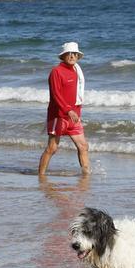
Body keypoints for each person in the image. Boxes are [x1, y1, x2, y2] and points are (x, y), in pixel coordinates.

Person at [38, 41, 90, 176]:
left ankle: (86, 176)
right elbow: (56, 95)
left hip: (74, 116)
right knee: (52, 148)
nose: (72, 56)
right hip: (58, 116)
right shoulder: (56, 72)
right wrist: (68, 110)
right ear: (63, 56)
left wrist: (75, 111)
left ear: (78, 56)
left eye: (75, 54)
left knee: (83, 146)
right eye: (69, 54)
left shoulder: (77, 71)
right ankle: (41, 177)